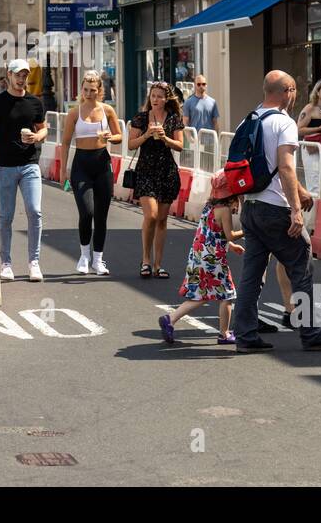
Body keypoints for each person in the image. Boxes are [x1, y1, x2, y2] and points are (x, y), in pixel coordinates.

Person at [231, 71, 321, 352]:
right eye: (294, 91)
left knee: (251, 274)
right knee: (302, 265)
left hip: (252, 207)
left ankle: (244, 334)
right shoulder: (283, 123)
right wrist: (296, 209)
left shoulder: (249, 119)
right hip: (275, 209)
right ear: (289, 91)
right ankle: (311, 332)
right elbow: (285, 167)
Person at [0, 58, 48, 281]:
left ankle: (34, 262)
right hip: (5, 167)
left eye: (24, 75)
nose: (21, 79)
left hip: (30, 164)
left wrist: (37, 137)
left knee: (35, 210)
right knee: (6, 215)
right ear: (8, 75)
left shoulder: (35, 103)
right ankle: (6, 263)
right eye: (17, 75)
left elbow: (43, 129)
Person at [158, 171, 242, 345]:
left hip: (199, 254)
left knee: (202, 294)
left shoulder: (209, 206)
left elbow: (212, 232)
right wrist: (249, 229)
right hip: (213, 260)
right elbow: (231, 234)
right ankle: (224, 334)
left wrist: (230, 246)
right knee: (227, 294)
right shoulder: (224, 210)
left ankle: (171, 319)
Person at [61, 70, 123, 275]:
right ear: (81, 90)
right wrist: (63, 170)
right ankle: (84, 255)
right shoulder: (74, 112)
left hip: (102, 164)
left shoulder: (107, 110)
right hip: (81, 166)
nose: (89, 93)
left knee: (102, 215)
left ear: (99, 91)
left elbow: (119, 137)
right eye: (86, 89)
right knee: (86, 212)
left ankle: (98, 259)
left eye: (93, 90)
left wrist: (110, 137)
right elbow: (66, 142)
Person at [128, 82, 184, 279]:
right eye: (153, 96)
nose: (155, 99)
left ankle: (158, 264)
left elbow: (180, 146)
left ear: (166, 99)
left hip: (167, 172)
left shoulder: (174, 119)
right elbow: (131, 144)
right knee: (150, 216)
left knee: (161, 220)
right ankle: (145, 260)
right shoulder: (140, 118)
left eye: (160, 96)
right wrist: (146, 135)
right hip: (145, 171)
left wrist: (165, 138)